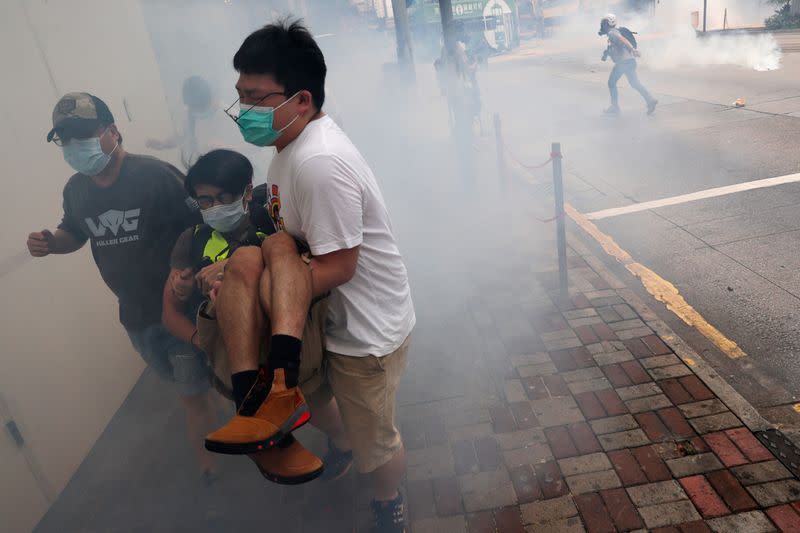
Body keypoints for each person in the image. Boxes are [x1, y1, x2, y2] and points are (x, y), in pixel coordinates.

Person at [205, 21, 415, 532]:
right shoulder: (287, 148)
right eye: (240, 96)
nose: (243, 111)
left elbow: (341, 265)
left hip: (364, 333)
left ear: (301, 99)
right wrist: (234, 269)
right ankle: (312, 429)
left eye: (255, 98)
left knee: (375, 440)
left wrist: (253, 290)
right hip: (320, 321)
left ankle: (389, 501)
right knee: (319, 406)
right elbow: (298, 242)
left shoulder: (318, 161)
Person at [27, 92, 218, 480]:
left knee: (192, 395)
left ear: (112, 131)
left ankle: (210, 469)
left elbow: (202, 227)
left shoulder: (155, 176)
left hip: (179, 310)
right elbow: (74, 233)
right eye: (65, 139)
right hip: (135, 317)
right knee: (189, 385)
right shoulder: (76, 191)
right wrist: (51, 243)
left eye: (84, 134)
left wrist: (189, 271)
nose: (74, 146)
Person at [163, 148, 326, 484]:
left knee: (271, 249)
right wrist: (185, 293)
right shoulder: (191, 241)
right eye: (204, 201)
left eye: (223, 197)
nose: (213, 207)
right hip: (236, 349)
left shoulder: (273, 220)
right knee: (250, 257)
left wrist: (235, 264)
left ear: (247, 193)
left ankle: (293, 403)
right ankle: (257, 418)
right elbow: (171, 308)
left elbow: (311, 262)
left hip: (289, 338)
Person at [146, 75, 272, 181]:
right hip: (213, 176)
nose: (196, 111)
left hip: (238, 173)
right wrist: (163, 144)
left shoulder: (229, 114)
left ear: (209, 99)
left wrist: (226, 148)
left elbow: (257, 145)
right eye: (192, 107)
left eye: (199, 107)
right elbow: (182, 136)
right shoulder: (191, 115)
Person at [598, 14, 657, 115]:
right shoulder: (612, 33)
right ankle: (650, 100)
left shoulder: (612, 32)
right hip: (629, 62)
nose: (602, 26)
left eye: (604, 23)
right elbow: (616, 47)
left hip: (623, 63)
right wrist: (607, 53)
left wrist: (632, 50)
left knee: (611, 83)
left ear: (608, 24)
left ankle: (615, 107)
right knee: (634, 83)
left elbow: (622, 40)